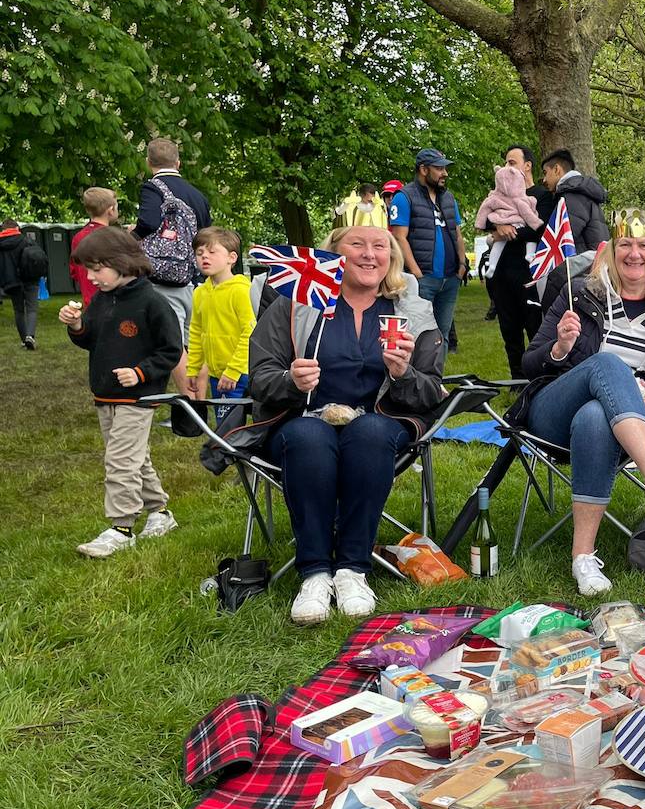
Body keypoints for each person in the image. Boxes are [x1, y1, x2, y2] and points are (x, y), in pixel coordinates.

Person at [249, 225, 447, 624]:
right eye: (357, 244)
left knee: (369, 431)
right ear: (334, 255)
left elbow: (432, 391)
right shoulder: (293, 306)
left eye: (380, 246)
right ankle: (315, 573)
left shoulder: (411, 313)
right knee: (309, 437)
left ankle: (353, 569)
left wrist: (404, 373)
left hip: (381, 421)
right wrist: (291, 380)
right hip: (301, 419)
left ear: (391, 258)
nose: (369, 254)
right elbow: (260, 376)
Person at [521, 209, 645, 596]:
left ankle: (583, 559)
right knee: (607, 364)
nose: (634, 253)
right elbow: (529, 363)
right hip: (553, 408)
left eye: (644, 245)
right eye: (625, 244)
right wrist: (559, 347)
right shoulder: (580, 293)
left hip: (622, 421)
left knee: (595, 416)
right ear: (612, 250)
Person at [58, 227, 183, 558]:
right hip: (105, 395)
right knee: (134, 458)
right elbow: (90, 340)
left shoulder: (153, 302)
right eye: (88, 269)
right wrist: (75, 325)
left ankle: (121, 527)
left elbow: (171, 350)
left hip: (139, 399)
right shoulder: (102, 299)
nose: (90, 276)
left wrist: (140, 372)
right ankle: (160, 513)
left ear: (122, 262)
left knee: (119, 460)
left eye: (97, 268)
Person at [131, 138, 210, 394]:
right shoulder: (198, 195)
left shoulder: (153, 188)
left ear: (148, 162)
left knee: (172, 343)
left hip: (164, 276)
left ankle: (190, 405)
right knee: (192, 342)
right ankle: (200, 396)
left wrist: (132, 235)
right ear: (178, 163)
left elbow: (149, 221)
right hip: (192, 276)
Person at [478, 146, 553, 377]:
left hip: (529, 273)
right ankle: (517, 380)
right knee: (509, 329)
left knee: (534, 327)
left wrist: (507, 233)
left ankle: (538, 379)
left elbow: (541, 230)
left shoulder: (542, 195)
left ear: (527, 165)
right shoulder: (498, 196)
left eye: (512, 162)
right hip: (502, 275)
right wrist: (497, 226)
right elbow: (486, 218)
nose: (507, 167)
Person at [389, 149, 467, 357]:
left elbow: (458, 235)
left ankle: (436, 383)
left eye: (445, 168)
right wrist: (417, 274)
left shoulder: (449, 198)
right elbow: (399, 237)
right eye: (439, 168)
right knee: (418, 336)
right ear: (424, 169)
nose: (445, 173)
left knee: (443, 335)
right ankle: (415, 385)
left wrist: (462, 266)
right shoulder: (404, 197)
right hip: (422, 280)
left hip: (450, 279)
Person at [186, 227, 255, 420]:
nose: (204, 257)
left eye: (212, 252)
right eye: (199, 253)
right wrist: (193, 368)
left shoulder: (241, 291)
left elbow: (250, 332)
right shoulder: (200, 292)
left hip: (241, 372)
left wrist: (234, 371)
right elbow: (196, 332)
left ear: (231, 258)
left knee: (241, 428)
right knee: (226, 427)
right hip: (219, 374)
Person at [537, 149, 612, 313]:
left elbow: (564, 239)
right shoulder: (582, 192)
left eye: (545, 172)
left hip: (580, 270)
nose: (544, 179)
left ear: (557, 169)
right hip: (592, 266)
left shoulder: (571, 195)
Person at [72, 187, 119, 306]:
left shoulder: (78, 237)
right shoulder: (112, 236)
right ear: (111, 210)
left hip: (88, 300)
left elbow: (74, 270)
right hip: (112, 300)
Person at [0, 220, 43, 350]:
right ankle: (30, 336)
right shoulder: (26, 240)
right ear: (17, 228)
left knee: (18, 311)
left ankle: (24, 340)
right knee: (32, 309)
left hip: (11, 282)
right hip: (30, 279)